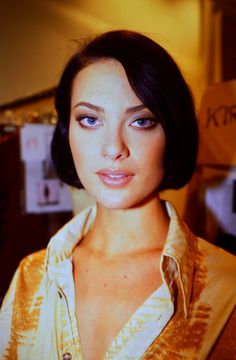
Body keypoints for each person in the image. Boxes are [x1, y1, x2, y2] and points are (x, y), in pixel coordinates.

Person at [0, 30, 235, 360]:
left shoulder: (227, 287)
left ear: (172, 131)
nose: (113, 148)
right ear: (68, 132)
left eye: (141, 121)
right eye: (90, 119)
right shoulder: (30, 278)